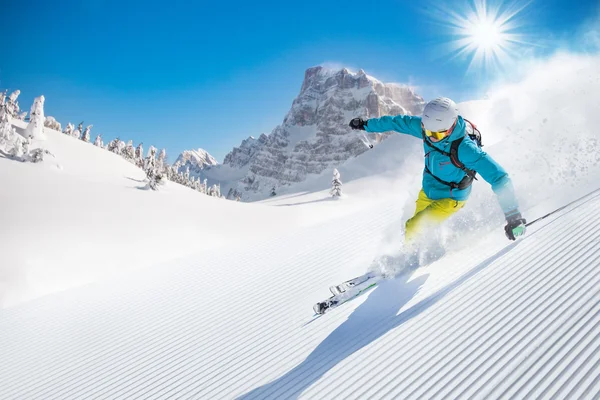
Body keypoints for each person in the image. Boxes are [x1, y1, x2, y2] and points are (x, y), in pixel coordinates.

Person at [349, 97, 526, 245]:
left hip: (451, 197)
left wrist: (513, 216)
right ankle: (417, 248)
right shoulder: (428, 130)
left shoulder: (465, 149)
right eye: (428, 131)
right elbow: (397, 122)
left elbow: (499, 177)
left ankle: (407, 257)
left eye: (439, 134)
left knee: (414, 226)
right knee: (416, 225)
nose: (432, 138)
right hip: (428, 189)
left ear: (451, 127)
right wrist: (366, 125)